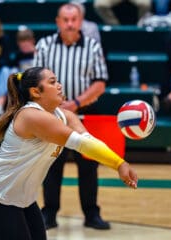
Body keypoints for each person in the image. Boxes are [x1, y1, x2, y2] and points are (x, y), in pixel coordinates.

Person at [0, 66, 138, 240]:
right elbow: (82, 145)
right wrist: (119, 164)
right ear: (36, 92)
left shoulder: (65, 115)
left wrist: (119, 162)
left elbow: (89, 142)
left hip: (23, 200)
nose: (59, 85)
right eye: (52, 82)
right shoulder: (32, 116)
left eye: (57, 80)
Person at [33, 3, 111, 230]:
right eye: (65, 19)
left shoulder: (93, 46)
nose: (69, 24)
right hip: (52, 113)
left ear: (80, 21)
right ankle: (49, 213)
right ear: (58, 21)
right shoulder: (44, 45)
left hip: (84, 113)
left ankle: (91, 213)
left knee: (88, 166)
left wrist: (75, 103)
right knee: (51, 164)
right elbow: (34, 82)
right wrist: (56, 104)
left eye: (74, 19)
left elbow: (100, 83)